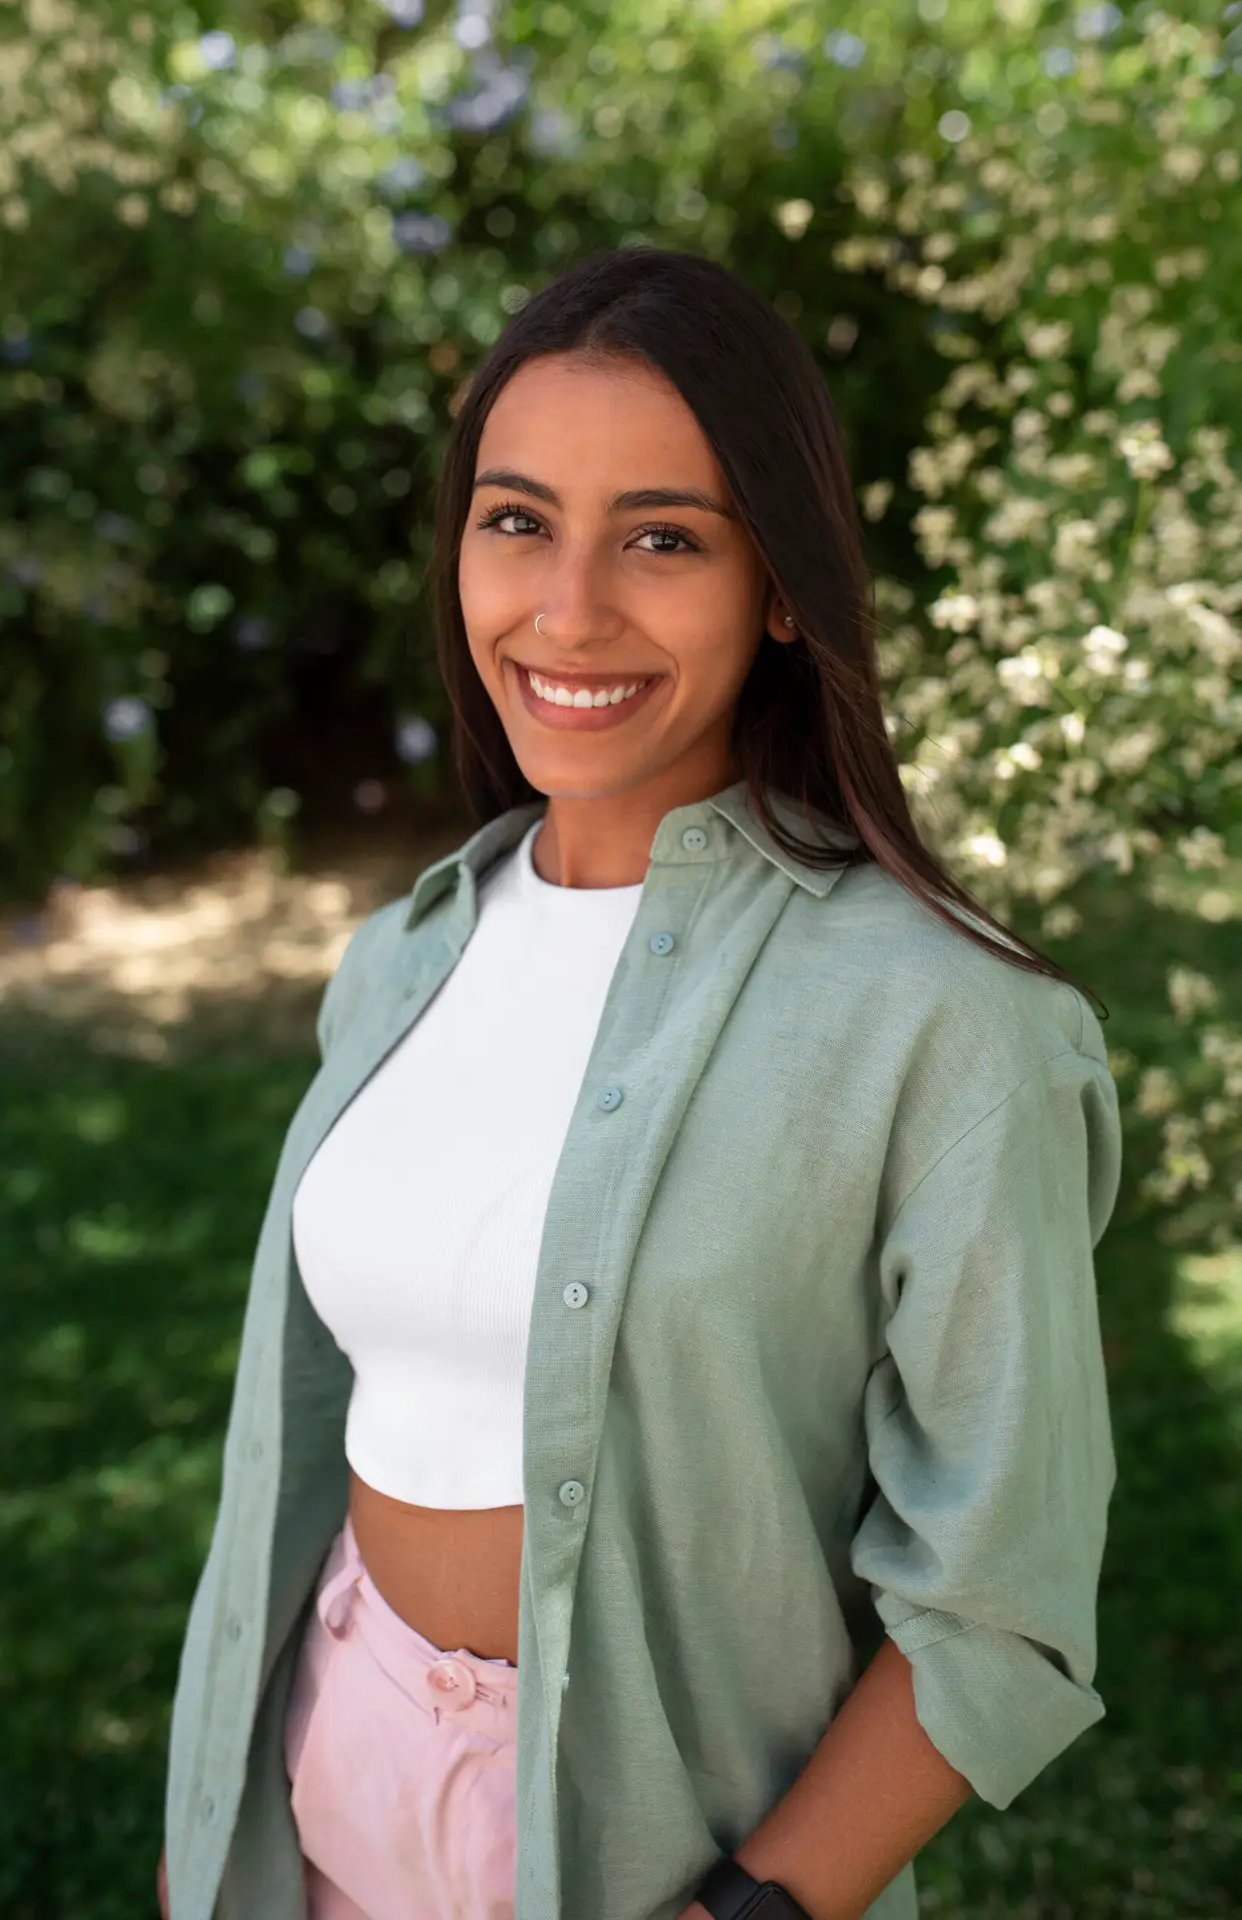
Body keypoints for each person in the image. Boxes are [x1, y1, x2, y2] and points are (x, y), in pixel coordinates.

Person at [158, 246, 1122, 1920]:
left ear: (782, 584)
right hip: (323, 1785)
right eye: (516, 520)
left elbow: (999, 1608)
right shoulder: (404, 957)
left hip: (657, 1850)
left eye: (662, 537)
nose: (568, 608)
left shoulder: (947, 1025)